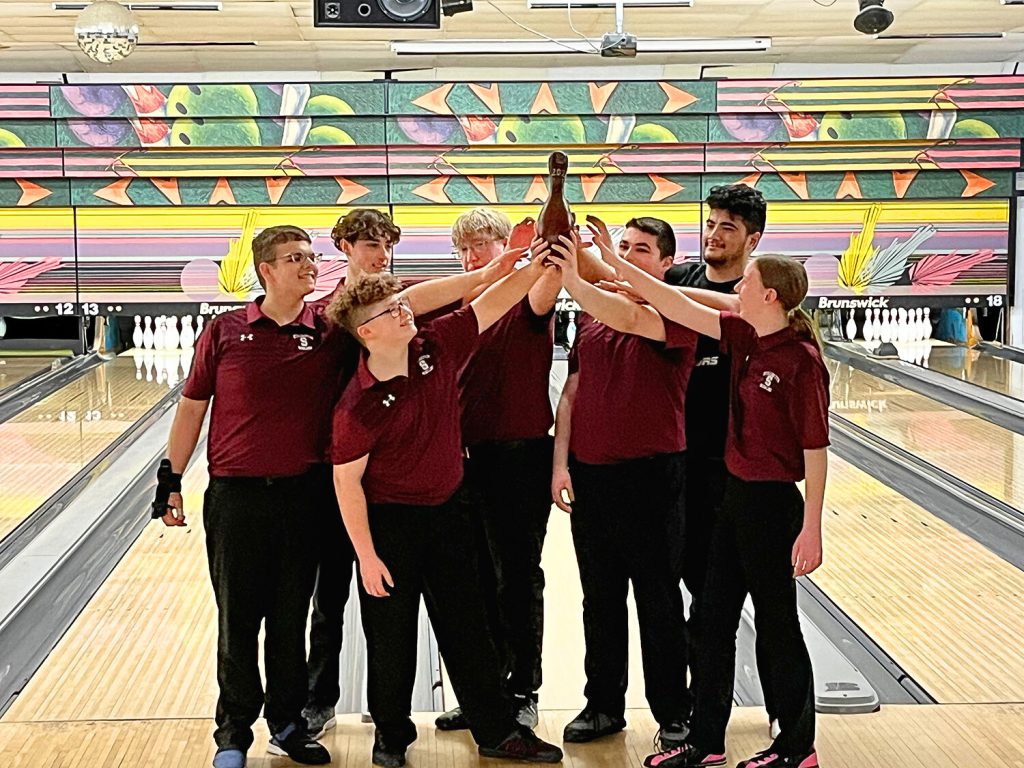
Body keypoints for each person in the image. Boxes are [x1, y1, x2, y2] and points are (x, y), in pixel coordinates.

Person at [154, 224, 524, 768]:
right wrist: (171, 476)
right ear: (267, 269)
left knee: (289, 620)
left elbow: (403, 303)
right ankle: (233, 734)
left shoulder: (329, 329)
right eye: (295, 257)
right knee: (238, 622)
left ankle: (286, 723)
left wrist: (488, 273)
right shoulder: (226, 329)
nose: (308, 264)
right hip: (236, 497)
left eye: (310, 255)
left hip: (306, 496)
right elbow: (192, 405)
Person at [585, 228, 828, 768]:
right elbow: (674, 300)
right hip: (733, 499)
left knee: (777, 626)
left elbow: (815, 449)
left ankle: (796, 746)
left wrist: (812, 527)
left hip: (773, 506)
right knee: (712, 621)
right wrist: (608, 261)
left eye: (748, 282)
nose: (738, 286)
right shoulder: (743, 331)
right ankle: (706, 741)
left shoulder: (801, 360)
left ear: (771, 296)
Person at [327, 250, 564, 767]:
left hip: (449, 513)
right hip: (390, 526)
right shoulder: (356, 405)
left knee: (468, 629)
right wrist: (366, 557)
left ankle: (497, 730)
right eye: (390, 311)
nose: (404, 311)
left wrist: (533, 265)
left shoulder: (436, 345)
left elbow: (494, 301)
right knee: (390, 638)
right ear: (366, 333)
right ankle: (390, 735)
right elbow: (347, 484)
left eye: (400, 304)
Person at [548, 218, 694, 751]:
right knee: (600, 600)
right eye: (624, 246)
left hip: (652, 477)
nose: (629, 256)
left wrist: (583, 274)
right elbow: (572, 392)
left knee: (657, 600)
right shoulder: (590, 319)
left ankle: (674, 712)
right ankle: (603, 705)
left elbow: (632, 315)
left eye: (641, 250)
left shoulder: (677, 312)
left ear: (665, 262)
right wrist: (560, 464)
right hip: (592, 475)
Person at [433, 208, 563, 733]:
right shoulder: (458, 306)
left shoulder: (529, 298)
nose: (471, 258)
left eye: (480, 247)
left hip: (520, 456)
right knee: (476, 583)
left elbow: (546, 282)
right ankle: (485, 691)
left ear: (504, 244)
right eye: (463, 250)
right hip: (463, 460)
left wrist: (549, 250)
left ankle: (523, 689)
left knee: (517, 579)